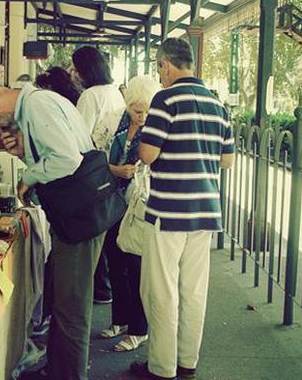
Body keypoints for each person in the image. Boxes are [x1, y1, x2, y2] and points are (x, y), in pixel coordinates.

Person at [0, 83, 105, 380]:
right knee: (61, 300)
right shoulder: (35, 105)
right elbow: (53, 157)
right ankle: (57, 368)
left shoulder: (37, 106)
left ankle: (69, 375)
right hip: (75, 214)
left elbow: (66, 160)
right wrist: (22, 152)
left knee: (72, 307)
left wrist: (26, 178)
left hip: (80, 217)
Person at [130, 38, 235, 380]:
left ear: (166, 65)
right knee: (193, 291)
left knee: (161, 291)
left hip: (169, 210)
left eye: (159, 69)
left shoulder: (166, 99)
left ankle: (161, 367)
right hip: (205, 210)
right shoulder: (217, 105)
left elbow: (147, 155)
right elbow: (227, 161)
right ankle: (187, 362)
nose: (159, 76)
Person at [92, 75, 159, 353]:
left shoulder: (158, 124)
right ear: (127, 104)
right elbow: (93, 156)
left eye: (147, 110)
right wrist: (114, 169)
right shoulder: (110, 121)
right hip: (111, 199)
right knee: (114, 263)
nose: (142, 116)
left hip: (139, 204)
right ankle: (119, 320)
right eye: (137, 110)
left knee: (136, 267)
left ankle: (139, 329)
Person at [72, 46, 126, 304]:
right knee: (111, 231)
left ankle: (101, 288)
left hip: (94, 169)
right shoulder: (115, 92)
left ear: (85, 70)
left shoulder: (90, 96)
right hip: (115, 169)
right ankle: (109, 289)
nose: (73, 74)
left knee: (96, 231)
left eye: (76, 68)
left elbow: (80, 137)